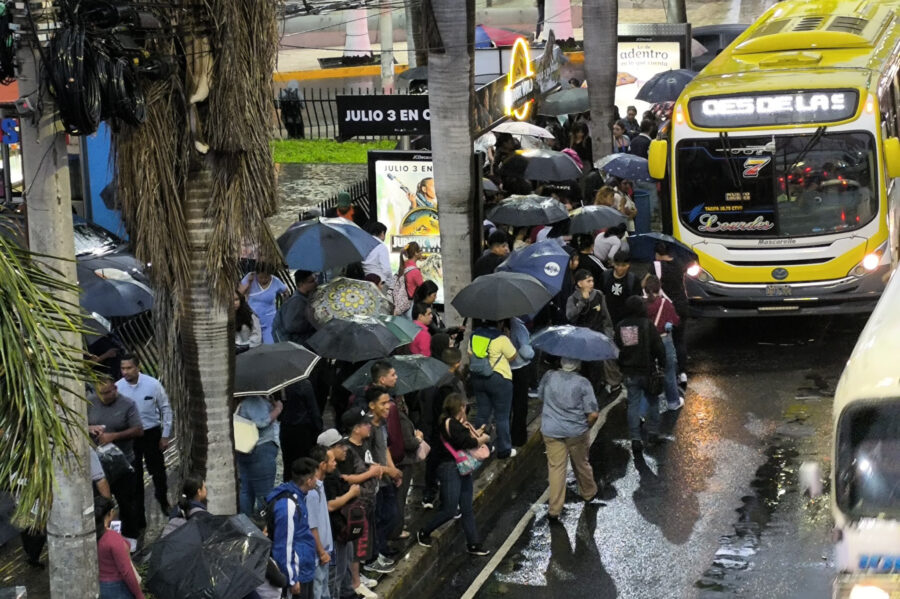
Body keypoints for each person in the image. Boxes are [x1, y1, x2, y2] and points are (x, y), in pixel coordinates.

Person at [416, 393, 491, 556]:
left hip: (460, 466)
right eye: (465, 406)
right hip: (450, 468)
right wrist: (483, 439)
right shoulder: (450, 423)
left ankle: (473, 543)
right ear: (461, 407)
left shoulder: (455, 423)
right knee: (450, 509)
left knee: (466, 507)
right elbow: (467, 442)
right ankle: (424, 531)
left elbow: (463, 439)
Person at [115, 354, 173, 526]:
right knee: (135, 476)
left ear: (137, 367)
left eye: (129, 368)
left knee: (158, 471)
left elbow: (165, 408)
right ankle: (139, 517)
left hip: (151, 433)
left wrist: (165, 435)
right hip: (130, 436)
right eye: (123, 368)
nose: (125, 372)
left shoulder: (152, 384)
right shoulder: (118, 388)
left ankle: (162, 499)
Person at [539, 358, 600, 519]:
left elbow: (540, 396)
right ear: (578, 365)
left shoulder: (549, 376)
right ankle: (588, 492)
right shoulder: (583, 383)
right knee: (581, 463)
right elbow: (593, 413)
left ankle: (554, 509)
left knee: (556, 468)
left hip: (551, 430)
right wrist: (586, 426)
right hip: (576, 431)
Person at [88, 378, 143, 549]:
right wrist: (89, 428)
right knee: (100, 503)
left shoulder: (128, 404)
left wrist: (114, 436)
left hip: (122, 463)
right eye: (101, 393)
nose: (104, 396)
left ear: (115, 388)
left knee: (126, 501)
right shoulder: (89, 402)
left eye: (108, 392)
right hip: (97, 463)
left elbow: (138, 429)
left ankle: (131, 535)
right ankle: (102, 537)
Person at [316, 429, 371, 599]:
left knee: (346, 562)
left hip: (341, 528)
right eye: (340, 446)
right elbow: (330, 505)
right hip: (332, 532)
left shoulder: (335, 471)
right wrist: (351, 494)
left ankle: (348, 593)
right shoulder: (324, 480)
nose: (345, 449)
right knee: (335, 573)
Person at [340, 409, 386, 597]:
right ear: (356, 429)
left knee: (364, 543)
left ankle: (358, 575)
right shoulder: (346, 451)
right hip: (353, 508)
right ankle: (355, 582)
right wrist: (371, 473)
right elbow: (345, 478)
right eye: (365, 424)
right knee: (356, 543)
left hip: (368, 502)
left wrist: (375, 468)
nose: (369, 426)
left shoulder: (364, 444)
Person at [614, 296, 667, 454]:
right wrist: (662, 364)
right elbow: (658, 347)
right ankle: (653, 433)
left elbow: (618, 349)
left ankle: (635, 438)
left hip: (630, 372)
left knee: (633, 405)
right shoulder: (647, 324)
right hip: (648, 371)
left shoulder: (621, 326)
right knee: (653, 402)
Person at [362, 386, 403, 576]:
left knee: (391, 516)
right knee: (377, 519)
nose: (388, 406)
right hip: (374, 483)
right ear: (372, 405)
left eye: (389, 402)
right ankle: (372, 557)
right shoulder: (366, 428)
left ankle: (378, 550)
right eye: (383, 403)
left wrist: (394, 470)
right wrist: (390, 471)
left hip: (386, 480)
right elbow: (368, 461)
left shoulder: (383, 424)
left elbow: (384, 448)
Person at [420, 348, 466, 509]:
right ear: (457, 363)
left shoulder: (430, 377)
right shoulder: (455, 382)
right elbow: (462, 408)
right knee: (449, 463)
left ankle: (429, 493)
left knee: (432, 461)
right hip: (449, 429)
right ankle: (449, 500)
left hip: (431, 426)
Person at [268, 457, 320, 599]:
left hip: (305, 569)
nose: (318, 481)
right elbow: (284, 545)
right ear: (309, 481)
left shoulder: (298, 497)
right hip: (298, 574)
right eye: (316, 477)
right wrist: (292, 579)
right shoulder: (288, 505)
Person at [469, 321, 518, 459]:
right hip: (500, 379)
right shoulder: (501, 338)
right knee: (502, 416)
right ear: (500, 323)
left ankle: (484, 446)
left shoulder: (474, 336)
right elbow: (512, 356)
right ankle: (504, 450)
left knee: (482, 414)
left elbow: (469, 353)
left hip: (478, 378)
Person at [235, 394, 283, 517]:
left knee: (247, 489)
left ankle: (246, 522)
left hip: (246, 450)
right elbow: (262, 422)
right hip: (261, 449)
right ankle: (265, 523)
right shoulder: (253, 400)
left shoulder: (242, 402)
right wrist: (277, 409)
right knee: (264, 493)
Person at [643, 275, 683, 412]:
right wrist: (669, 324)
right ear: (659, 288)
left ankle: (656, 405)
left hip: (647, 342)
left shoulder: (641, 304)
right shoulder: (665, 304)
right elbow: (676, 320)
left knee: (652, 373)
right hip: (664, 339)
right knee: (669, 372)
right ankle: (672, 402)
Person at [653, 242, 690, 388]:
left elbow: (647, 283)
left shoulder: (656, 266)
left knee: (666, 341)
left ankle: (669, 372)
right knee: (679, 340)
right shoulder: (680, 264)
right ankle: (682, 372)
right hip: (681, 306)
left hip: (666, 309)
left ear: (657, 253)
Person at [95, 496, 145, 599]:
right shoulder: (113, 538)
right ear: (110, 513)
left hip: (100, 586)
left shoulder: (91, 536)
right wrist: (139, 595)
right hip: (117, 588)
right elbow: (126, 571)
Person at [280, 379, 323, 481]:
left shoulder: (281, 385)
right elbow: (313, 408)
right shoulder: (304, 384)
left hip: (286, 428)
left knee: (288, 463)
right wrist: (318, 428)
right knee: (305, 464)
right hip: (303, 430)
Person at [307, 446, 335, 599]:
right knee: (318, 592)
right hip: (319, 555)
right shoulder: (312, 493)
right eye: (331, 460)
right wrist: (321, 552)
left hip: (325, 551)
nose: (335, 463)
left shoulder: (320, 487)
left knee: (325, 591)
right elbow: (313, 527)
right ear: (322, 465)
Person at [239, 266, 289, 344]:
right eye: (261, 277)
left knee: (270, 345)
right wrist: (248, 282)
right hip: (252, 321)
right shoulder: (250, 277)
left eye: (266, 277)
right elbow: (239, 293)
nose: (263, 280)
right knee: (253, 345)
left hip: (270, 321)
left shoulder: (276, 281)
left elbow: (286, 292)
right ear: (256, 274)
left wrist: (284, 305)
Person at [508, 316, 535, 448]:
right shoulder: (517, 325)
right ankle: (518, 438)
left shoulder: (497, 325)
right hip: (519, 369)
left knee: (506, 406)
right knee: (520, 405)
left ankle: (505, 438)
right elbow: (526, 352)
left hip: (503, 369)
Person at [273, 270, 318, 344]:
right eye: (312, 281)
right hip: (296, 343)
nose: (316, 283)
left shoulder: (304, 297)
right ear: (301, 284)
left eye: (315, 279)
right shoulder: (297, 302)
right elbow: (291, 326)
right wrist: (312, 320)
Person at [598, 250, 642, 326]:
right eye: (617, 265)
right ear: (613, 264)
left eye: (623, 265)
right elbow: (599, 294)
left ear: (628, 265)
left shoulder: (633, 280)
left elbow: (636, 302)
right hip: (607, 317)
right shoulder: (605, 276)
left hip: (625, 319)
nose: (620, 268)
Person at [362, 222, 393, 290]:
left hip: (366, 281)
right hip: (380, 284)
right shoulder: (381, 246)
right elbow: (386, 269)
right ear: (382, 233)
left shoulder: (363, 245)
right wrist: (391, 284)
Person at [395, 242, 425, 310]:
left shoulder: (403, 266)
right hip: (410, 306)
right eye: (420, 250)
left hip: (401, 305)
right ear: (415, 253)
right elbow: (423, 289)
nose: (421, 252)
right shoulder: (415, 271)